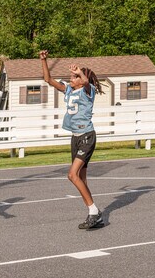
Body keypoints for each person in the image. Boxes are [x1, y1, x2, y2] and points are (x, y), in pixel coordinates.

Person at [40, 50, 105, 230]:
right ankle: (93, 213)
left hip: (87, 137)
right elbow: (48, 80)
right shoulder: (69, 89)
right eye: (72, 76)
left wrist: (80, 73)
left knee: (71, 175)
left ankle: (94, 212)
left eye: (74, 76)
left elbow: (85, 81)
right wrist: (44, 60)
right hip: (75, 138)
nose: (71, 78)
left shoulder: (87, 90)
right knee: (81, 180)